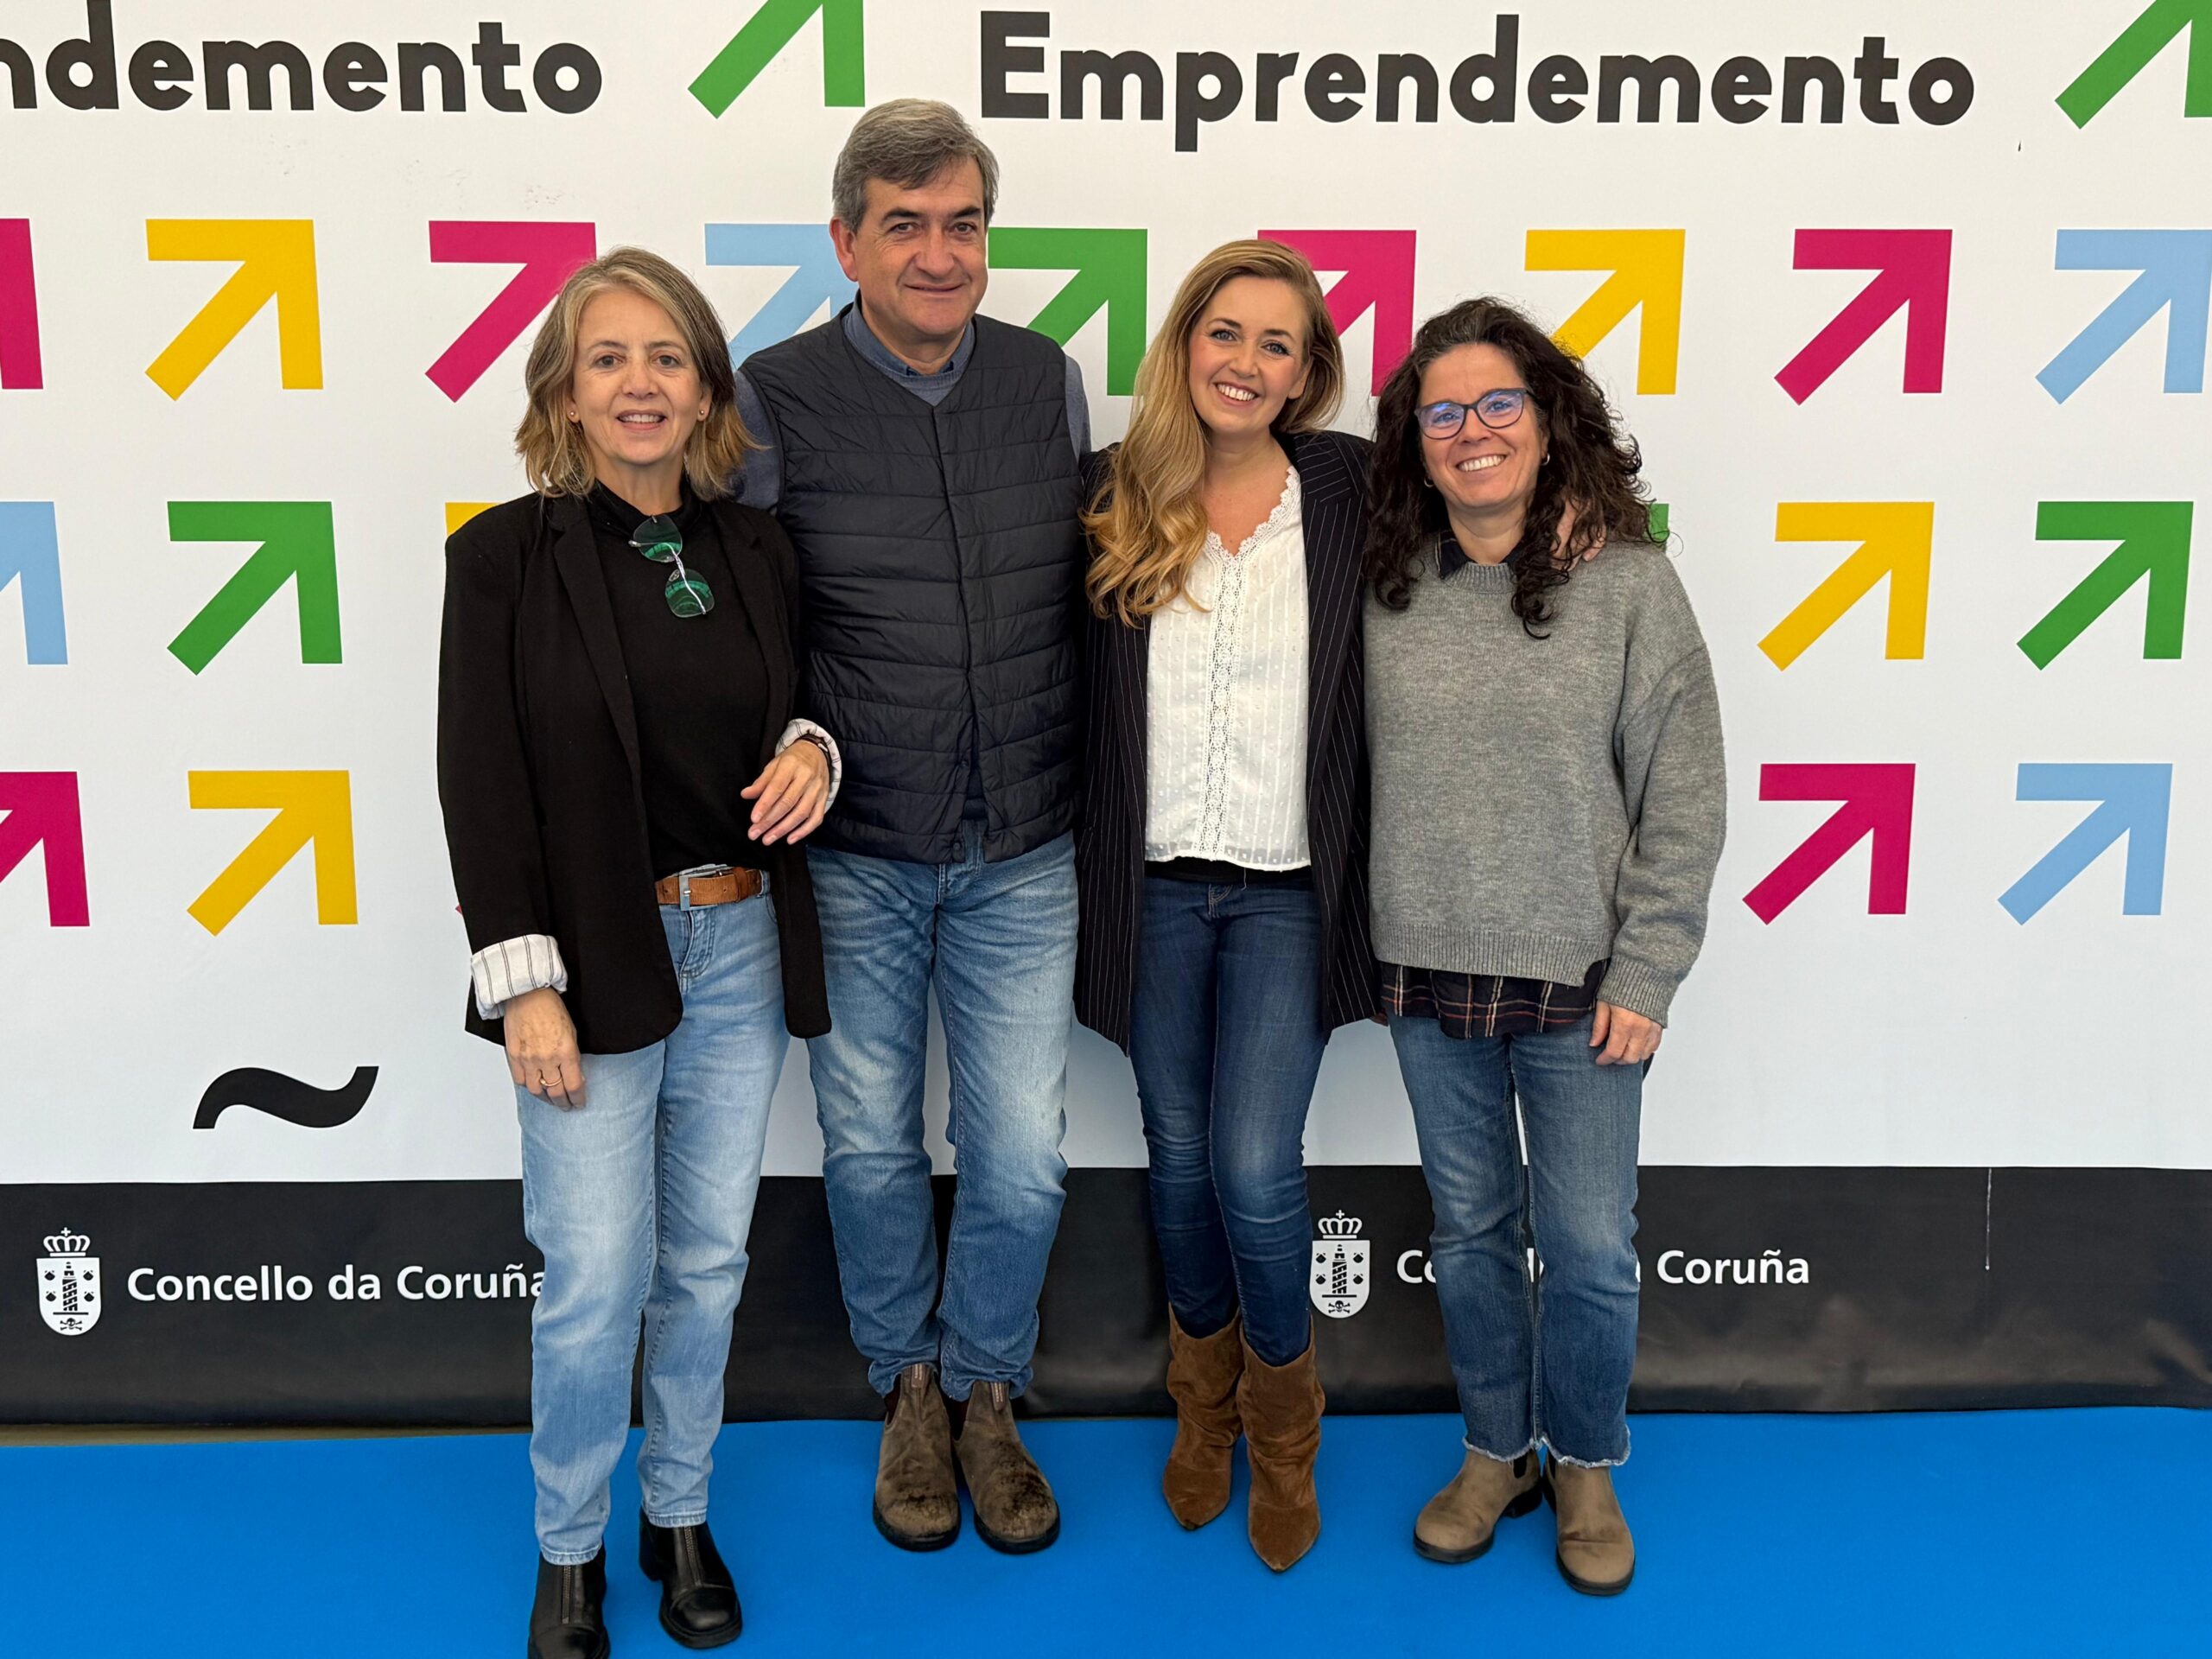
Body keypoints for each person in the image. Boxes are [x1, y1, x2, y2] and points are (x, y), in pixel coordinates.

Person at [437, 247, 837, 1658]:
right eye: (607, 358)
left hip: (741, 937)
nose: (640, 383)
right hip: (591, 957)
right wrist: (524, 985)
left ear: (706, 389)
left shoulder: (756, 548)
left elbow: (804, 702)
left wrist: (813, 746)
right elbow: (480, 779)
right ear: (565, 391)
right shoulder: (501, 557)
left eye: (667, 357)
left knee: (707, 1263)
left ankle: (680, 1514)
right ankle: (570, 1549)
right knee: (597, 1275)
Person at [730, 100, 1090, 1554]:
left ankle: (990, 1388)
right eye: (904, 226)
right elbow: (745, 620)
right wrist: (794, 738)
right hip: (858, 850)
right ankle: (912, 1388)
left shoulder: (1046, 379)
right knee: (870, 1144)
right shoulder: (772, 394)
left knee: (1023, 1153)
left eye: (963, 224)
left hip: (1027, 841)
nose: (939, 254)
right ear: (846, 243)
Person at [1363, 298, 1726, 1595]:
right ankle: (1495, 1449)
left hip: (1585, 983)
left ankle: (1584, 1461)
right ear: (1413, 443)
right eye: (1442, 413)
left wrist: (1650, 969)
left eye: (1499, 403)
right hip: (1425, 969)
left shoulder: (1628, 583)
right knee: (1469, 1233)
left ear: (1549, 419)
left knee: (1586, 1248)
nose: (1473, 430)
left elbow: (1685, 792)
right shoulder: (1381, 584)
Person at [1074, 240, 1374, 1571]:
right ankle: (1203, 1411)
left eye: (1277, 344)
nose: (1246, 363)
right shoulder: (1112, 495)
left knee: (1256, 1168)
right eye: (1226, 332)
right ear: (1185, 343)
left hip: (1286, 894)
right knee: (1181, 1161)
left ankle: (1286, 1431)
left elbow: (1498, 503)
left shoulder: (1352, 491)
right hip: (1150, 890)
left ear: (1307, 374)